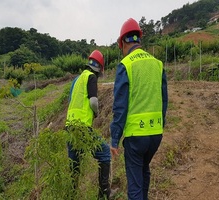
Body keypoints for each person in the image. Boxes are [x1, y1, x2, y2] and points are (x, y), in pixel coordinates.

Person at [110, 18, 168, 200]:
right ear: (138, 40)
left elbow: (120, 106)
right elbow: (164, 100)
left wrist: (114, 138)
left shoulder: (126, 65)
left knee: (134, 184)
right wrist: (160, 125)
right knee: (144, 171)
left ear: (122, 43)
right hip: (156, 134)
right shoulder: (157, 64)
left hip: (136, 137)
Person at [66, 50, 111, 199]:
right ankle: (103, 196)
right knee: (104, 153)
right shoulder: (91, 77)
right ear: (99, 68)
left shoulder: (76, 80)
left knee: (74, 165)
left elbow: (70, 101)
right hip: (82, 128)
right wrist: (96, 112)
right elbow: (93, 101)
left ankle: (71, 195)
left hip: (69, 128)